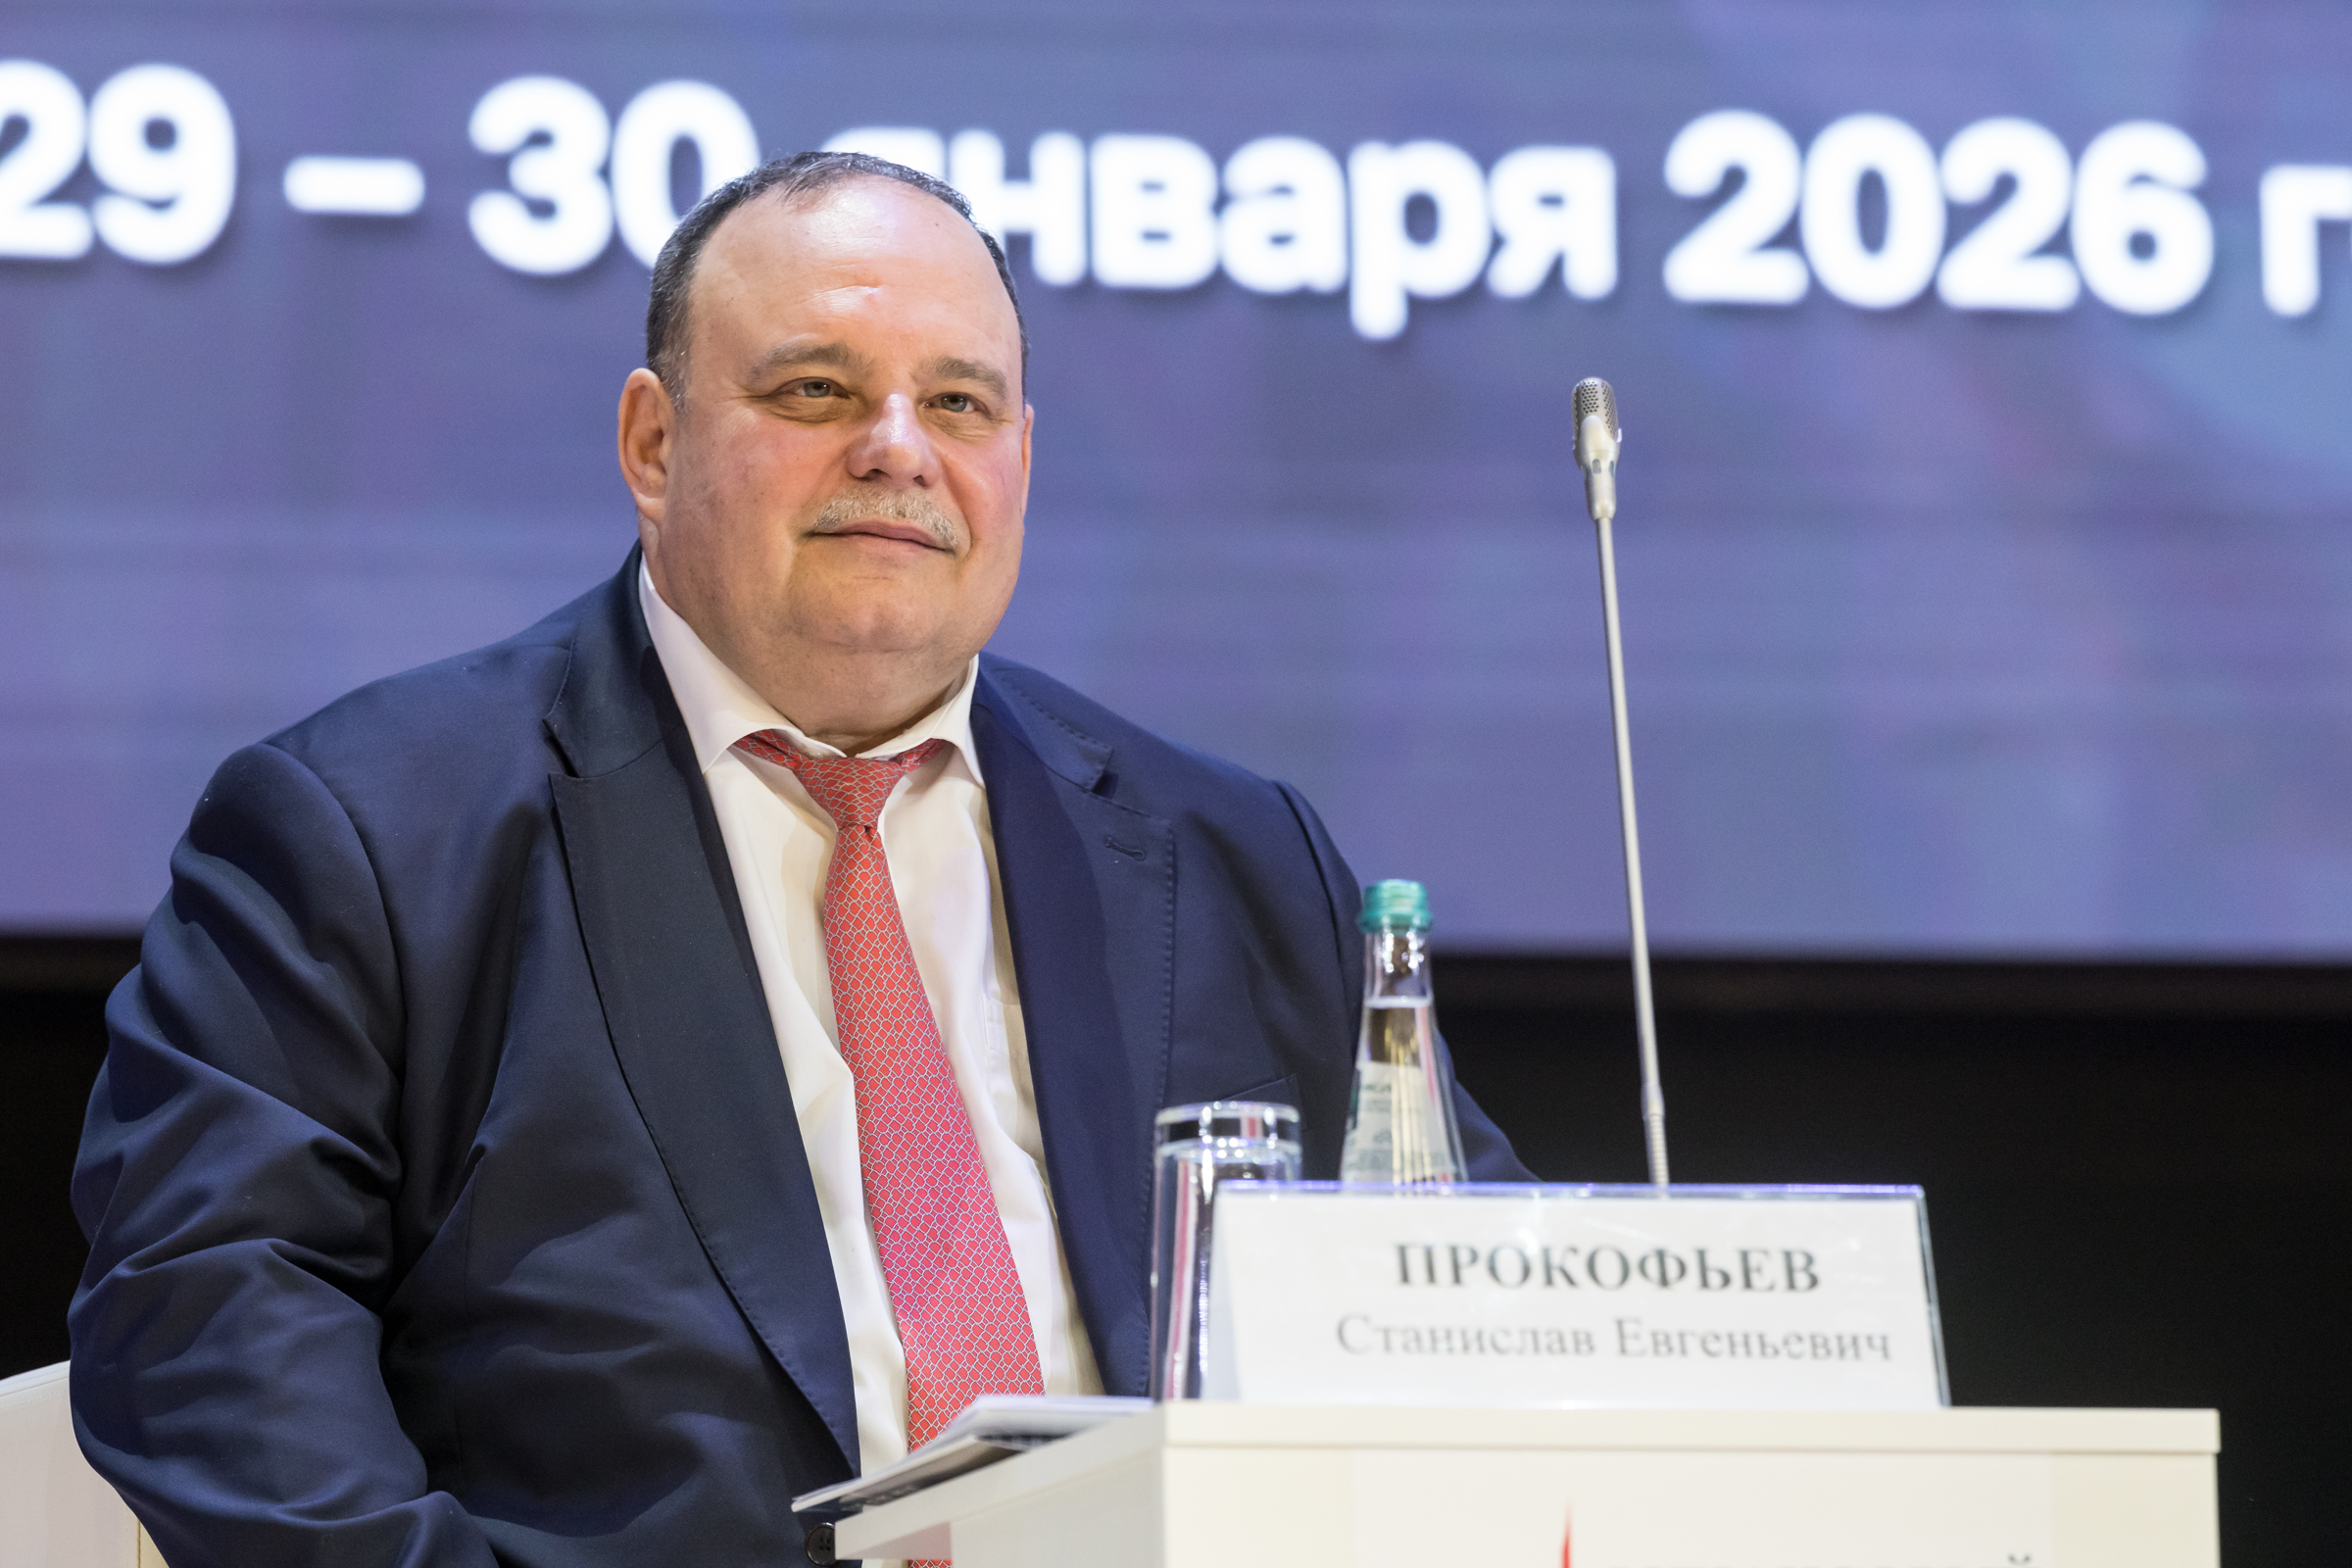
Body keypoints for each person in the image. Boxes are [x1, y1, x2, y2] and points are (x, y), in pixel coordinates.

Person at [70, 152, 1530, 1568]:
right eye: (815, 390)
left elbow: (1470, 1305)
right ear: (655, 445)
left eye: (959, 403)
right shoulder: (368, 834)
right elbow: (204, 1321)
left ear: (1021, 461)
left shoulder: (1239, 859)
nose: (899, 448)